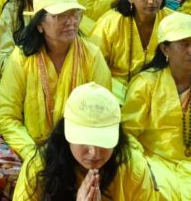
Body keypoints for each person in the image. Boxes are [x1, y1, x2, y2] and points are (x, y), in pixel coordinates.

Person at [0, 0, 111, 197]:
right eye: (60, 16)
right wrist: (33, 154)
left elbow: (102, 114)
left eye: (74, 14)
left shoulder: (92, 56)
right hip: (32, 144)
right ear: (39, 24)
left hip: (79, 148)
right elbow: (8, 116)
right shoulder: (21, 58)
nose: (71, 21)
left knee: (115, 166)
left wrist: (74, 151)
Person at [122, 12, 191, 199]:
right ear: (165, 49)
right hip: (156, 162)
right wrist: (141, 164)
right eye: (184, 44)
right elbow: (128, 134)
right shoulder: (145, 83)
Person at [13, 82, 158, 200]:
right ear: (65, 134)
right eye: (83, 140)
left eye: (103, 141)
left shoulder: (134, 169)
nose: (94, 153)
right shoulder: (38, 167)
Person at [91, 0, 173, 101]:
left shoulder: (172, 21)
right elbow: (93, 64)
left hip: (159, 88)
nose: (152, 1)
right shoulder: (111, 22)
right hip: (117, 89)